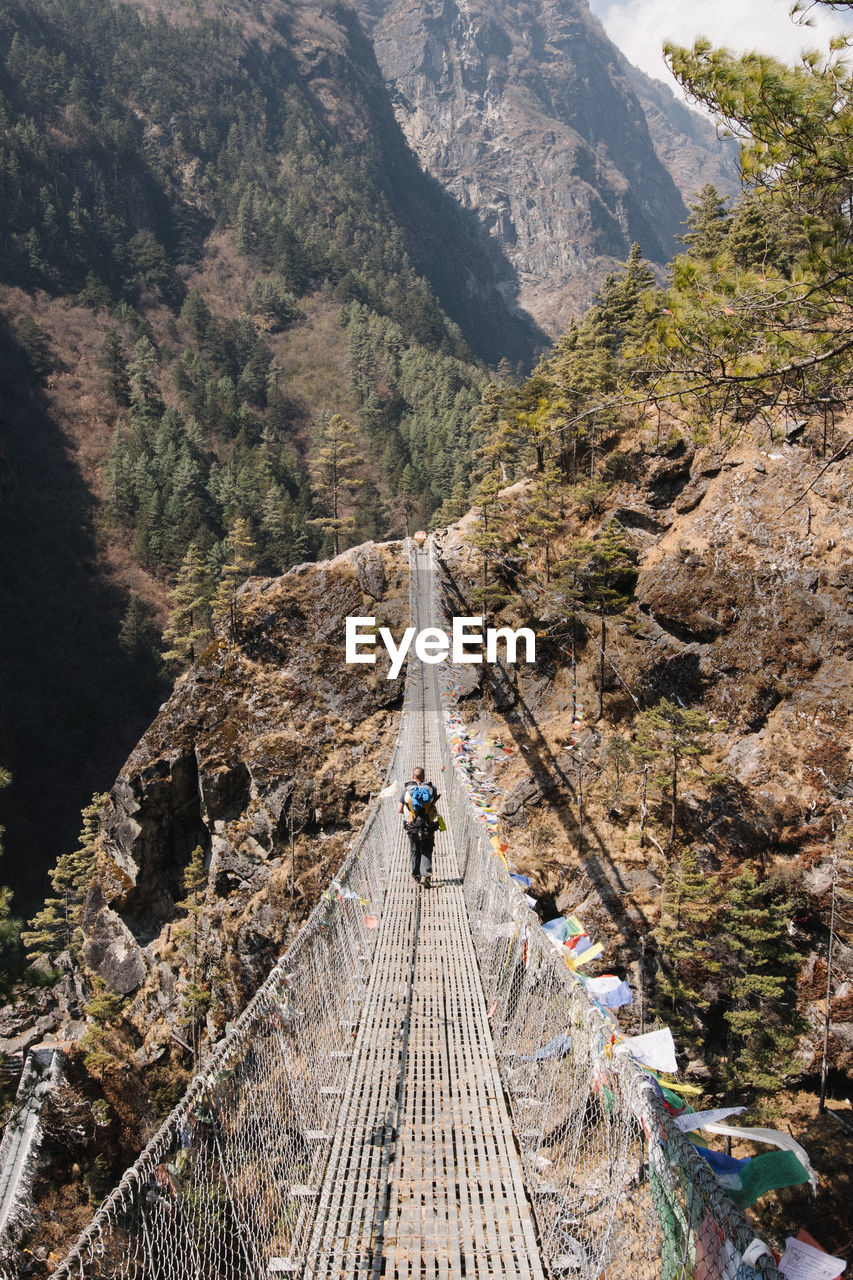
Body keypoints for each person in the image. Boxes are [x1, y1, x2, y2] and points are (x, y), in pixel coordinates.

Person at [397, 767, 440, 888]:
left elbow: (399, 809)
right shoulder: (431, 789)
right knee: (426, 849)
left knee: (414, 850)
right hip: (427, 825)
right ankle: (425, 876)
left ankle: (416, 875)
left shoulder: (406, 791)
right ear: (424, 777)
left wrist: (409, 814)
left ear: (412, 777)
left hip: (412, 826)